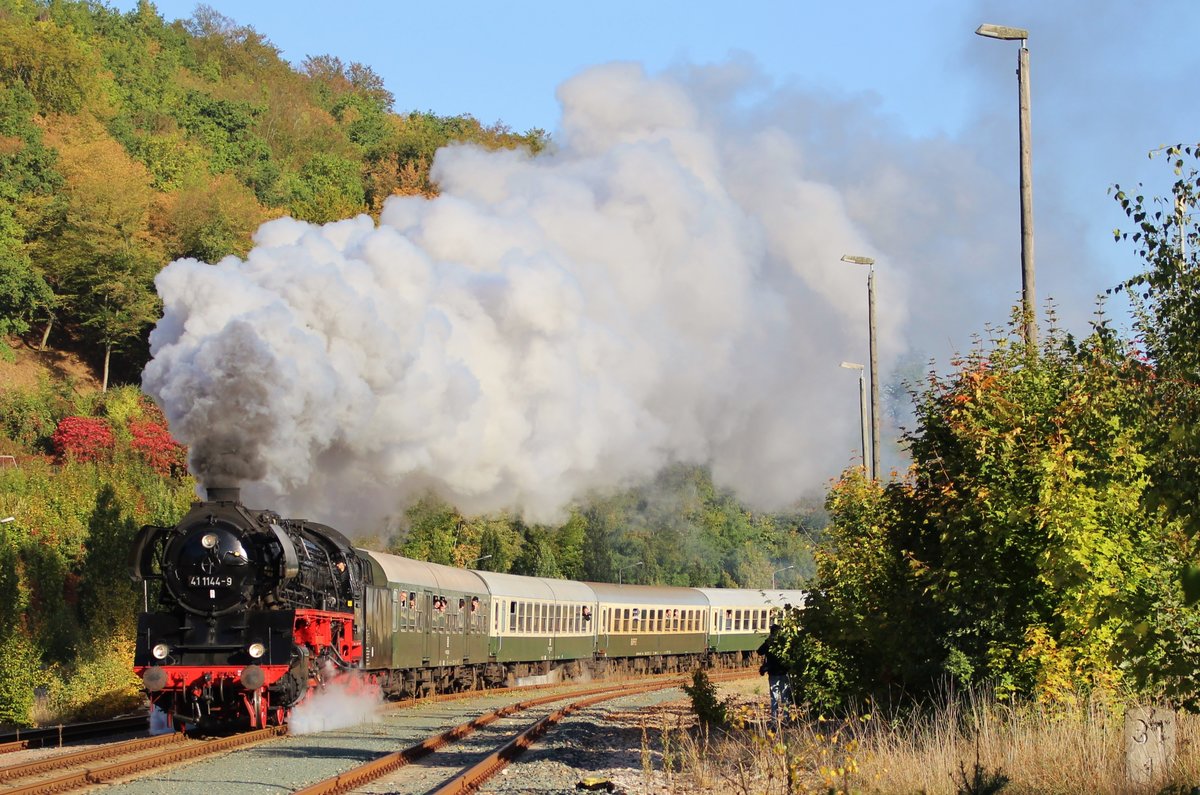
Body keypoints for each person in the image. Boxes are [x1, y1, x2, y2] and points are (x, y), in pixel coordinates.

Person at [757, 624, 791, 725]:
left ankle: (774, 720)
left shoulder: (769, 643)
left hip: (773, 673)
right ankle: (786, 718)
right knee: (785, 698)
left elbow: (760, 651)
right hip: (784, 672)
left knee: (774, 698)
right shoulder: (784, 643)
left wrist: (768, 641)